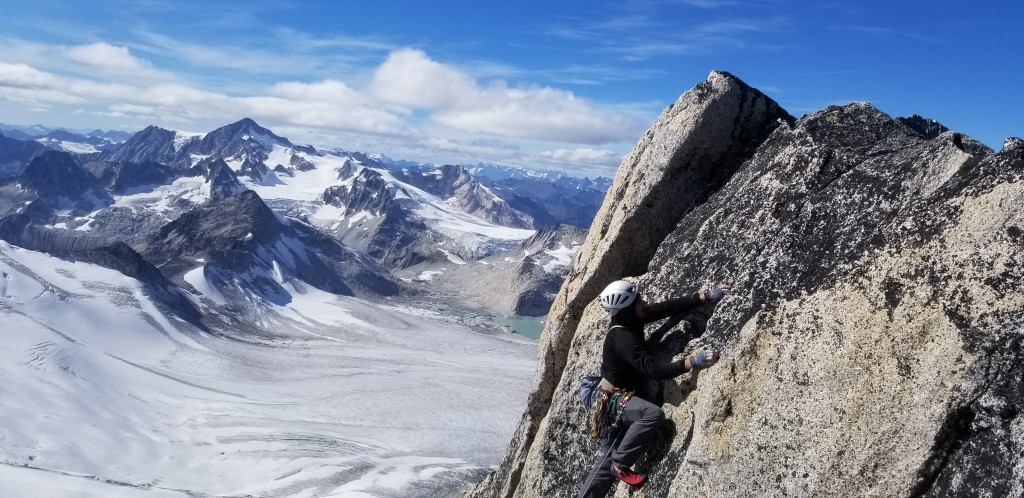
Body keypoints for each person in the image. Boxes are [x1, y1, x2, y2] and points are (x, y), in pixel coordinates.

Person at [577, 279, 730, 498]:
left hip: (612, 400)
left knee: (606, 462)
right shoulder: (622, 337)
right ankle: (620, 464)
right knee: (651, 415)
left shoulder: (628, 319)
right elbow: (653, 370)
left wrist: (703, 297)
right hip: (610, 402)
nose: (644, 302)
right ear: (628, 307)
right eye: (639, 300)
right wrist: (690, 362)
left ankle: (608, 472)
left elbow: (665, 308)